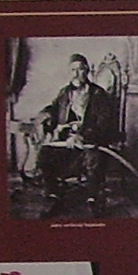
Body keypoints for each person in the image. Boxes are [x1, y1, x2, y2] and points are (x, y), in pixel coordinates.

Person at [31, 52, 123, 216]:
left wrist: (83, 136)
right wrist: (45, 114)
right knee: (45, 154)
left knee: (93, 158)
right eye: (73, 70)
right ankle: (53, 195)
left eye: (80, 69)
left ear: (86, 70)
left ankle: (93, 198)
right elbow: (54, 108)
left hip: (91, 141)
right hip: (66, 142)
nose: (76, 73)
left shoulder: (98, 94)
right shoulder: (64, 92)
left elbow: (104, 123)